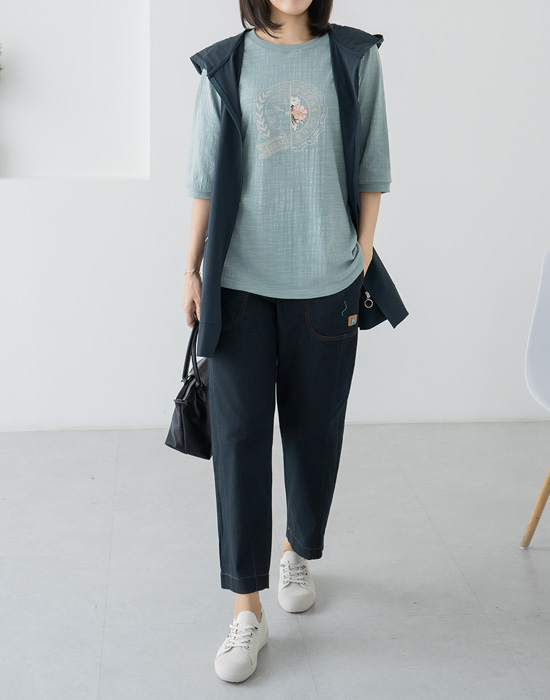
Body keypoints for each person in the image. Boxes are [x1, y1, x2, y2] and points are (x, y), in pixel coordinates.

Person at [182, 0, 396, 683]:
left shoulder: (355, 56)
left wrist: (360, 255)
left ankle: (295, 550)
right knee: (239, 443)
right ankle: (246, 608)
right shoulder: (226, 64)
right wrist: (190, 269)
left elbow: (373, 165)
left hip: (327, 284)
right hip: (239, 287)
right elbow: (204, 176)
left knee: (314, 432)